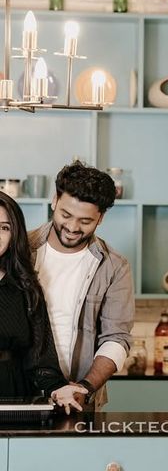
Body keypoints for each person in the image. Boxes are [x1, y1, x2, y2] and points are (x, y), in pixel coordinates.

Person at [28, 161, 135, 408]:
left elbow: (116, 338)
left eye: (85, 221)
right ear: (54, 200)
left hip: (82, 398)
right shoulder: (20, 250)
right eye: (66, 215)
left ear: (101, 217)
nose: (73, 228)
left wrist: (84, 387)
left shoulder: (114, 266)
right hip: (23, 391)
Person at [0, 191, 86, 414]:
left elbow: (40, 357)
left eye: (4, 228)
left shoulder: (25, 287)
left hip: (13, 396)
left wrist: (58, 388)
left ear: (13, 235)